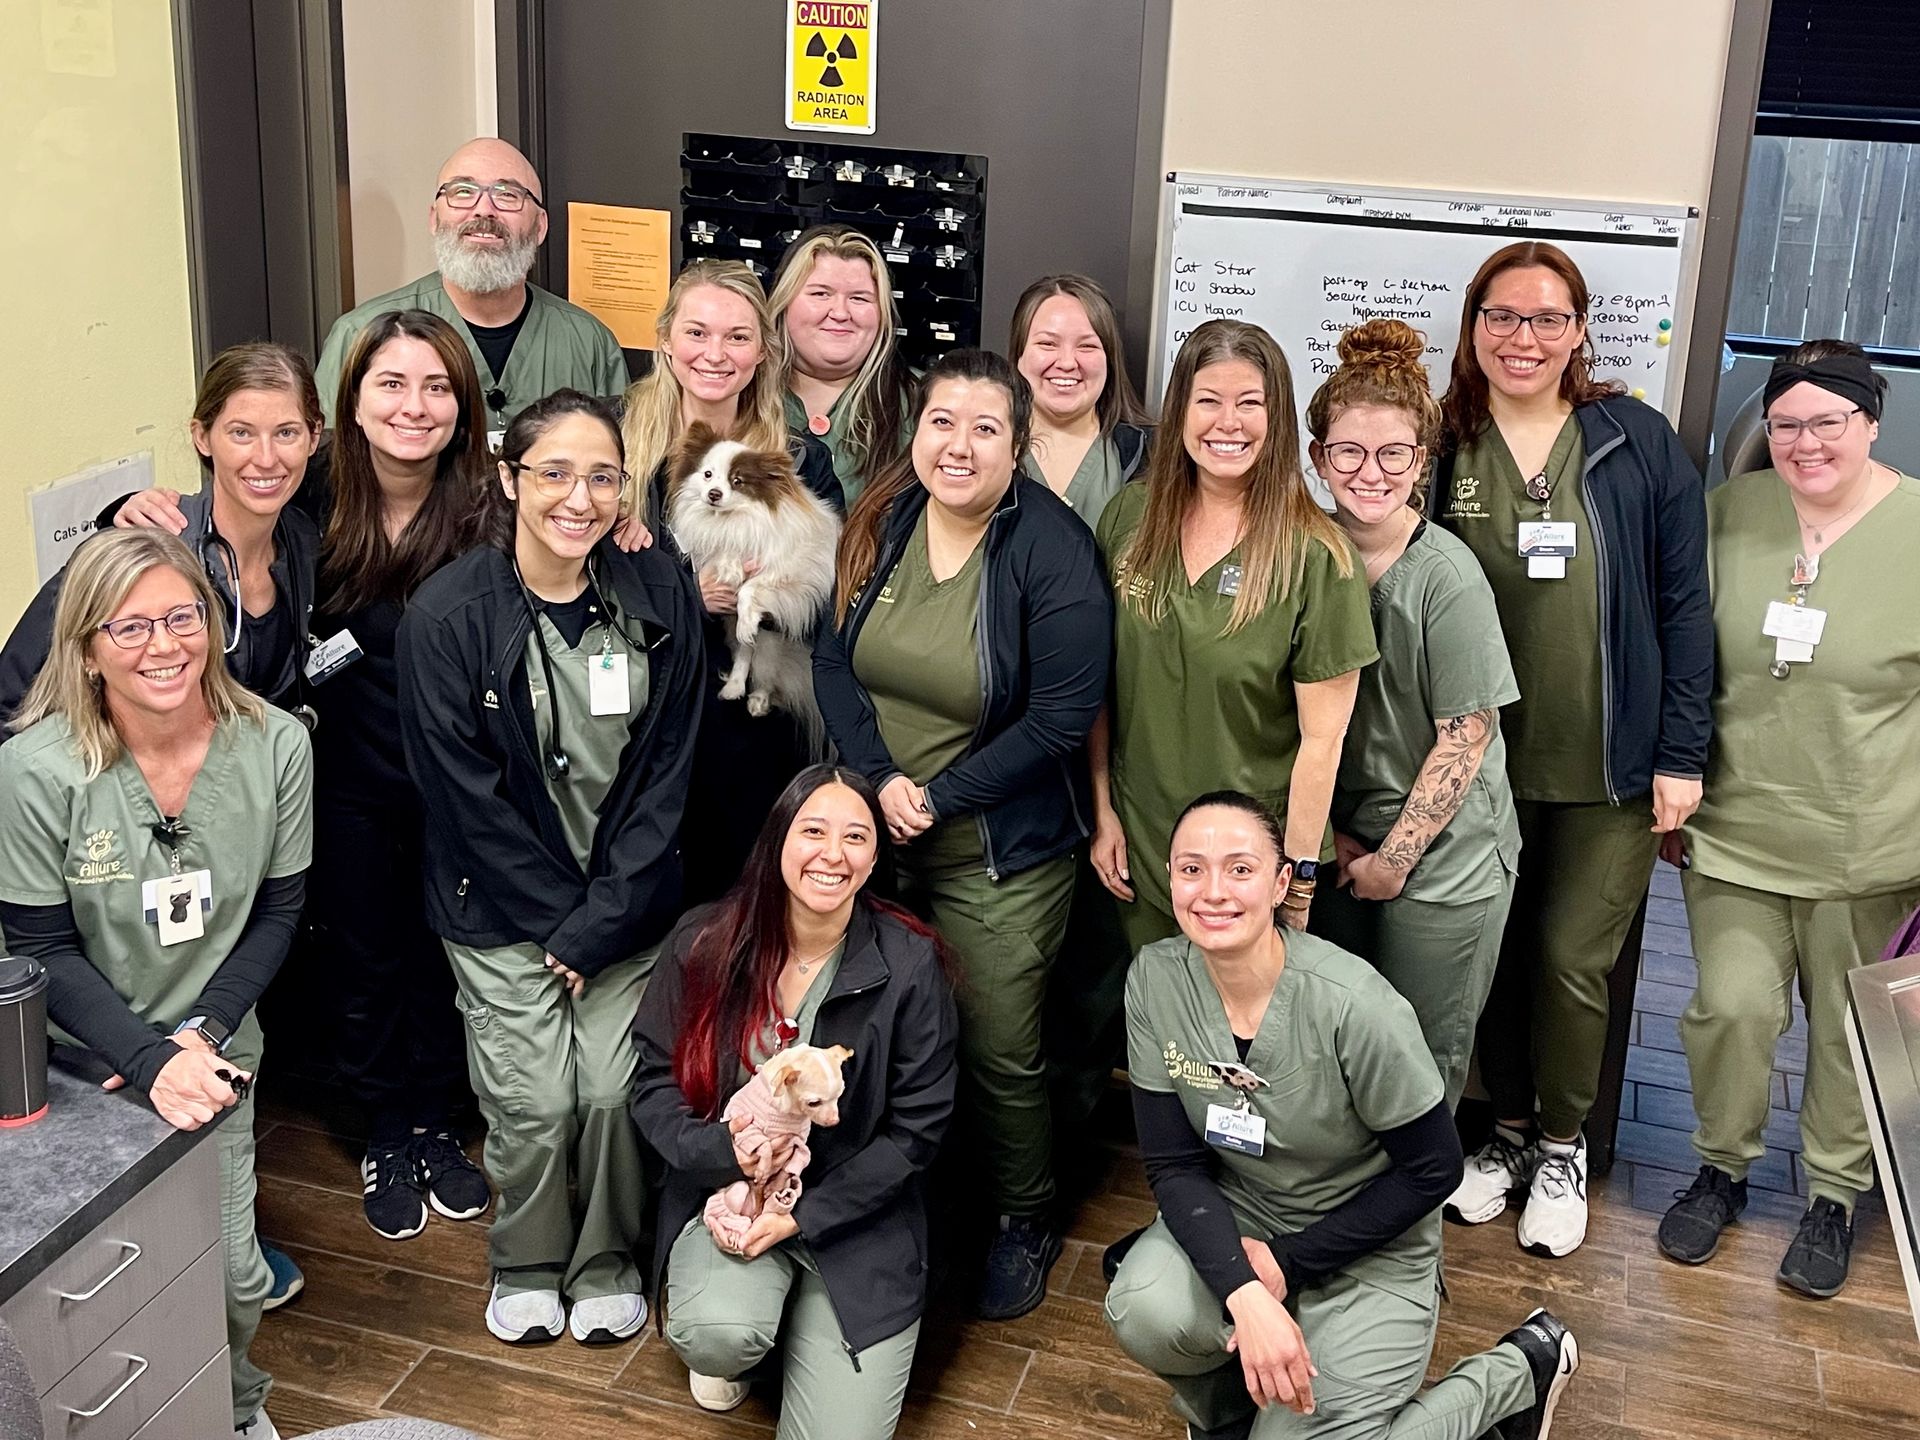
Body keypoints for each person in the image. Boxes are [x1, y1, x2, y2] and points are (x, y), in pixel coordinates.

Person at [110, 310, 496, 1245]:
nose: (414, 405)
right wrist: (126, 513)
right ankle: (386, 1126)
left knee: (450, 957)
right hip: (345, 783)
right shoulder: (308, 499)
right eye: (390, 385)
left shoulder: (492, 506)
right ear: (350, 406)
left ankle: (442, 1120)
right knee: (363, 956)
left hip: (462, 785)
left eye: (436, 386)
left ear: (463, 405)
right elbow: (204, 529)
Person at [1104, 791, 1577, 1440]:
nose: (1213, 890)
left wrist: (1289, 1262)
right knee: (1142, 1307)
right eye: (1191, 868)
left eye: (1239, 869)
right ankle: (1234, 1416)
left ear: (1280, 884)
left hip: (1370, 1240)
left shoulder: (1355, 1005)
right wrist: (1243, 1289)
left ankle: (1520, 1372)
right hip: (1247, 1209)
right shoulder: (1156, 981)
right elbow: (1175, 1163)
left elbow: (1434, 1170)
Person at [398, 389, 703, 1346]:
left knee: (612, 1094)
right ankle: (527, 1261)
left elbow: (666, 777)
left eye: (602, 476)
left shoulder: (660, 596)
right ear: (508, 478)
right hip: (498, 912)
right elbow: (463, 803)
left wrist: (603, 921)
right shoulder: (448, 617)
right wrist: (561, 925)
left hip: (624, 909)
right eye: (555, 473)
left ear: (626, 489)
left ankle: (608, 1259)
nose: (579, 497)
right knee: (535, 1100)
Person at [813, 349, 1110, 1319]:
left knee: (994, 1041)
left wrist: (937, 797)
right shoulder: (885, 519)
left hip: (1003, 846)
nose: (961, 445)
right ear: (916, 430)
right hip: (880, 831)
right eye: (944, 422)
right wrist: (880, 780)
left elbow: (1064, 716)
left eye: (987, 428)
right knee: (873, 1022)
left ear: (1018, 447)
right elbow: (833, 660)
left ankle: (1025, 1214)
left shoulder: (1051, 550)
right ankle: (903, 1193)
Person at [0, 530, 314, 1440]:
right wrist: (136, 1054)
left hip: (212, 1049)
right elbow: (39, 947)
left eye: (183, 617)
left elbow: (278, 915)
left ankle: (236, 1410)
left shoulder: (276, 744)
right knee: (87, 1288)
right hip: (73, 1062)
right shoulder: (35, 769)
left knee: (229, 1277)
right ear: (88, 648)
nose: (163, 645)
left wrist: (198, 1036)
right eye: (129, 627)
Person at [1435, 241, 1712, 1259]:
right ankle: (1504, 1135)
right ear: (1473, 326)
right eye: (1503, 317)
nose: (1525, 338)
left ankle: (1563, 1147)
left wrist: (1683, 754)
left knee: (1569, 961)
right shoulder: (1437, 443)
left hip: (1611, 770)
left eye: (1549, 319)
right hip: (1477, 770)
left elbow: (1687, 608)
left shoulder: (1634, 441)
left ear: (1582, 329)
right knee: (1496, 958)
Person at [1656, 341, 1920, 1299]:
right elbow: (1682, 653)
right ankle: (1721, 1168)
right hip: (1734, 828)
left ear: (1870, 422)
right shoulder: (1728, 516)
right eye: (1786, 424)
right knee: (1731, 1008)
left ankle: (1836, 1196)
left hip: (1872, 845)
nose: (1805, 443)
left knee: (1851, 1032)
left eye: (1828, 422)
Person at [631, 765, 958, 1433]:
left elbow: (917, 1135)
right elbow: (651, 1083)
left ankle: (799, 1320)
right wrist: (724, 1154)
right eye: (813, 830)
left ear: (876, 855)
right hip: (735, 1194)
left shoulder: (911, 964)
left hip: (860, 1214)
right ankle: (748, 1337)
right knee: (720, 1331)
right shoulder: (703, 940)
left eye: (856, 836)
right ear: (778, 836)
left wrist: (807, 1216)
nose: (832, 854)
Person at [1090, 319, 1377, 955]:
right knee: (1156, 1032)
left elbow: (1322, 741)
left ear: (1277, 419)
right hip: (1143, 842)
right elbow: (1102, 683)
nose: (1229, 422)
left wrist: (1296, 881)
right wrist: (1104, 809)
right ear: (1179, 410)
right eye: (1208, 401)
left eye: (1251, 403)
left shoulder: (1317, 555)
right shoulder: (1128, 518)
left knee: (1238, 1048)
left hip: (1253, 865)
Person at [1303, 320, 1520, 1110]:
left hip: (1443, 857)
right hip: (1346, 837)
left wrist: (1394, 859)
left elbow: (1467, 734)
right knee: (1339, 1041)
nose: (1370, 472)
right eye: (1348, 452)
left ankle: (1407, 1220)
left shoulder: (1446, 578)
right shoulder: (1306, 553)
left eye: (1394, 453)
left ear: (1422, 462)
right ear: (1319, 457)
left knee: (1418, 1058)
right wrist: (1335, 840)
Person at [623, 259, 843, 896]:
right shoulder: (614, 443)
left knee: (742, 903)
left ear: (763, 352)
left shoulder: (799, 461)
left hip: (750, 724)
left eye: (737, 337)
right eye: (696, 333)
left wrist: (763, 588)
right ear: (665, 340)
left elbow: (827, 593)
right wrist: (685, 595)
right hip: (637, 717)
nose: (714, 354)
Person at [0, 343, 322, 726]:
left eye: (286, 432)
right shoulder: (141, 546)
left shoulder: (304, 541)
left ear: (313, 437)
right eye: (241, 433)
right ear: (202, 436)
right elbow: (10, 701)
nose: (266, 458)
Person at [315, 138, 627, 438]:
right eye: (463, 192)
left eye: (507, 194)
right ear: (435, 219)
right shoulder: (357, 334)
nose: (483, 210)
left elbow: (619, 468)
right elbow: (329, 467)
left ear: (540, 226)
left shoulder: (590, 344)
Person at [770, 225, 911, 503]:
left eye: (859, 298)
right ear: (784, 303)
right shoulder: (739, 392)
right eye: (820, 294)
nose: (840, 313)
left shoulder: (923, 405)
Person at [1010, 273, 1154, 531]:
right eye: (1047, 344)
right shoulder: (982, 448)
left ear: (1109, 360)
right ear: (1019, 354)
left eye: (1086, 346)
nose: (1067, 362)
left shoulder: (1151, 456)